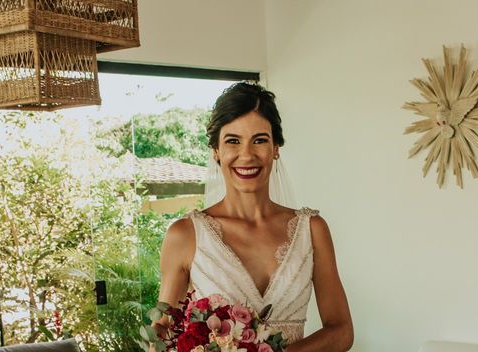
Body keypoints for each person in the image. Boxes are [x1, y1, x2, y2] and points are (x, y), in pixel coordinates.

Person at [151, 82, 353, 351]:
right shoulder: (185, 235)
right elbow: (164, 329)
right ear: (216, 152)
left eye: (259, 140)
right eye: (233, 141)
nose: (246, 155)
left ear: (275, 148)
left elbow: (342, 331)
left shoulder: (312, 229)